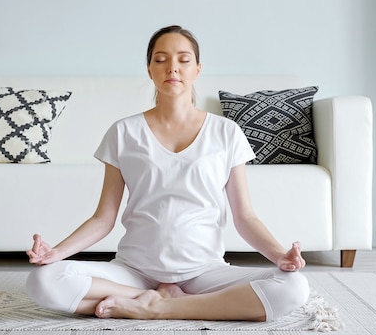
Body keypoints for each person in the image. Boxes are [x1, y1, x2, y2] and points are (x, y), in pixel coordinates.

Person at [26, 25, 309, 322]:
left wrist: (279, 256)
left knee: (292, 287)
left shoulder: (226, 132)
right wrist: (56, 253)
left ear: (197, 69)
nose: (172, 67)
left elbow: (245, 217)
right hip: (134, 272)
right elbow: (103, 219)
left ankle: (158, 307)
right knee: (43, 281)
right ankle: (154, 299)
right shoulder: (124, 132)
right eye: (160, 60)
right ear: (149, 70)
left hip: (204, 272)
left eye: (183, 60)